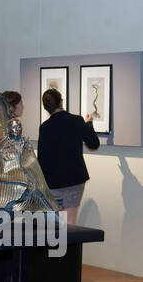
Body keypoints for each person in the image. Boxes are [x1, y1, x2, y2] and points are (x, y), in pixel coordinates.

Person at [35, 87, 99, 225]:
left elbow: (42, 158)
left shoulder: (44, 127)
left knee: (55, 226)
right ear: (61, 102)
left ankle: (58, 247)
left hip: (52, 183)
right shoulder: (77, 121)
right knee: (70, 224)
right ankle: (68, 247)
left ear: (46, 108)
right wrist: (89, 125)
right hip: (74, 180)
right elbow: (93, 144)